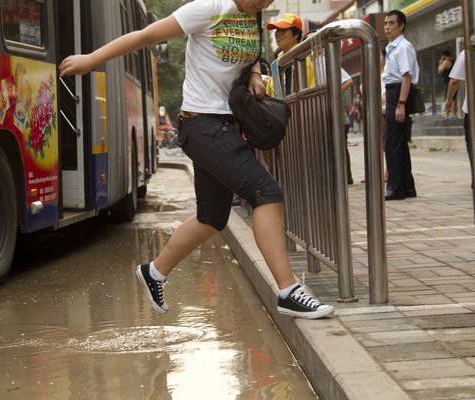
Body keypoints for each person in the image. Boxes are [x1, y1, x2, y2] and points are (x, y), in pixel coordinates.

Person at [60, 0, 334, 319]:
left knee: (212, 218)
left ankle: (155, 272)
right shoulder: (206, 9)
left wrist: (255, 73)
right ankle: (289, 291)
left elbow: (248, 54)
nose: (265, 1)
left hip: (224, 126)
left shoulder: (252, 15)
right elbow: (144, 36)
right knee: (266, 193)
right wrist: (90, 60)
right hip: (202, 124)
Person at [380, 10, 419, 201]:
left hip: (399, 93)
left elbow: (407, 76)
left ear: (401, 25)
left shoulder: (404, 47)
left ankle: (395, 187)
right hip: (394, 92)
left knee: (392, 142)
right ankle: (407, 187)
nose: (387, 27)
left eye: (392, 23)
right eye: (386, 23)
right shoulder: (391, 48)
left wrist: (401, 103)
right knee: (399, 143)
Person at [446, 50, 473, 187]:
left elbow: (454, 81)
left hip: (472, 109)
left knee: (472, 144)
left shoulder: (467, 52)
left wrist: (449, 101)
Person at [438, 49, 457, 119]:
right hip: (454, 81)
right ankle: (452, 113)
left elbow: (440, 70)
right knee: (453, 98)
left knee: (448, 98)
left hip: (448, 82)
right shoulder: (453, 61)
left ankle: (447, 113)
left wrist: (440, 63)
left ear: (444, 56)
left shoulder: (445, 62)